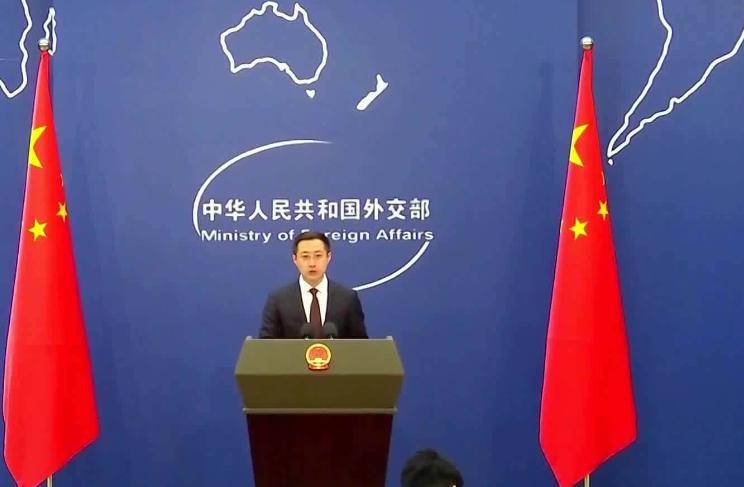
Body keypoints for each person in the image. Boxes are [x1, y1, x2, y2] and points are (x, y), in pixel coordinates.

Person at [259, 231, 368, 338]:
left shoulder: (348, 298)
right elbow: (267, 343)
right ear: (295, 259)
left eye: (318, 256)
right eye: (305, 256)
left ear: (328, 257)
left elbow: (360, 344)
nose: (312, 263)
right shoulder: (278, 299)